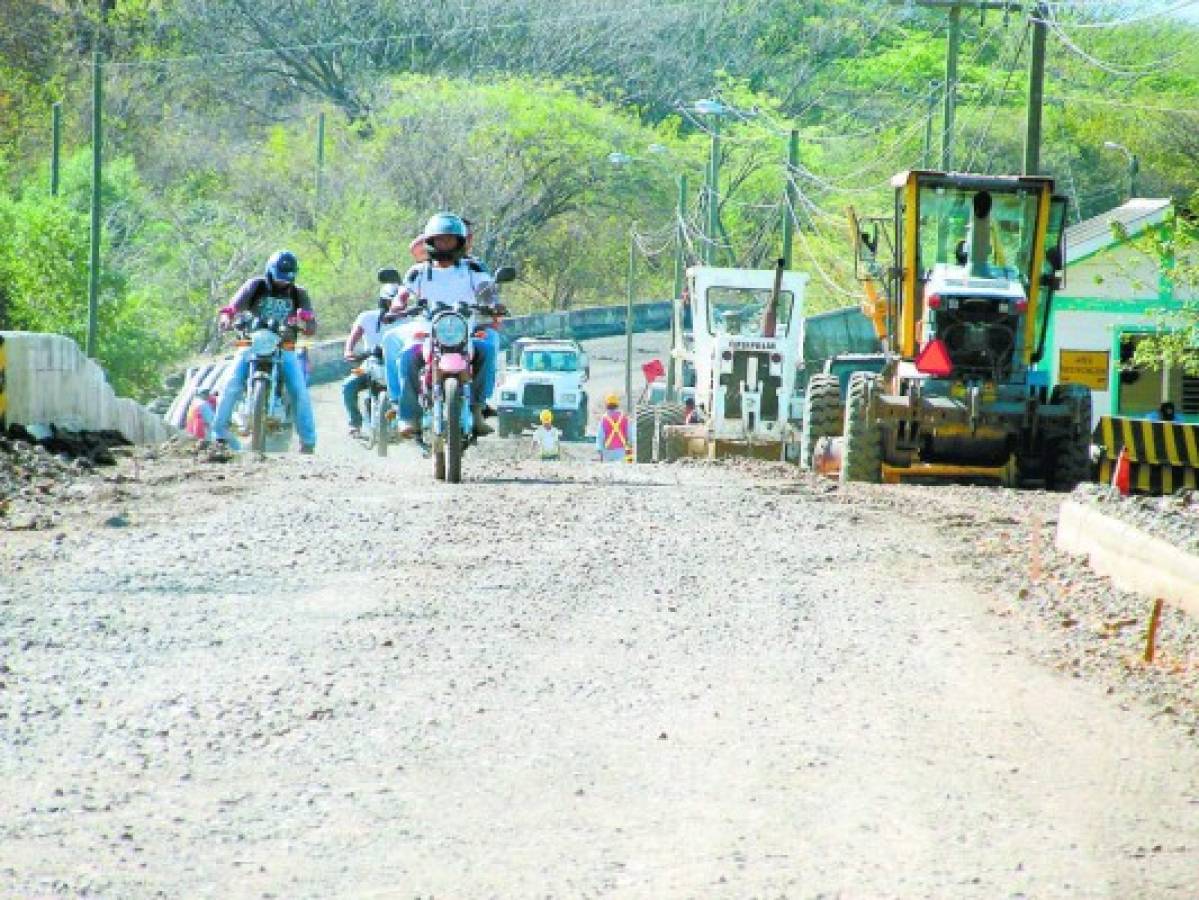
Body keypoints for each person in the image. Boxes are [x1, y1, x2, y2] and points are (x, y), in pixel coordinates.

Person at [385, 213, 501, 436]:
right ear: (430, 241)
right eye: (440, 239)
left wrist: (493, 304)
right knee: (408, 355)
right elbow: (403, 295)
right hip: (428, 330)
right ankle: (409, 416)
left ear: (460, 241)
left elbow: (487, 291)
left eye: (450, 239)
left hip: (464, 329)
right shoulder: (418, 271)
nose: (445, 244)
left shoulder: (473, 268)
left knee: (486, 350)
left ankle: (477, 409)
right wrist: (397, 307)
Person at [209, 250, 319, 454]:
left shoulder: (299, 293)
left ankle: (308, 441)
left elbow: (310, 319)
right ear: (270, 271)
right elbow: (233, 306)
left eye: (287, 279)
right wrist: (227, 318)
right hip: (252, 342)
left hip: (284, 345)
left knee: (299, 390)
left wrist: (308, 321)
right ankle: (219, 434)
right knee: (231, 383)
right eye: (279, 277)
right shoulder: (255, 286)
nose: (283, 282)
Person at [342, 283, 406, 438]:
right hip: (371, 362)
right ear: (383, 301)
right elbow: (354, 335)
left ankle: (415, 423)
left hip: (398, 365)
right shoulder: (367, 317)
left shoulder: (410, 319)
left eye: (399, 302)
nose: (395, 306)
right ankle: (355, 424)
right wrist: (349, 350)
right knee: (348, 386)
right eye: (390, 301)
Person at [596, 393, 631, 462]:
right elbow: (630, 434)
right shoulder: (624, 418)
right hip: (621, 451)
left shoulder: (604, 419)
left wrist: (599, 449)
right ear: (617, 405)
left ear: (606, 405)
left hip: (607, 451)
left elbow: (600, 436)